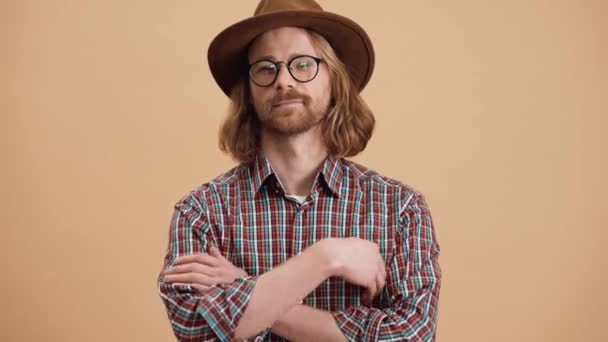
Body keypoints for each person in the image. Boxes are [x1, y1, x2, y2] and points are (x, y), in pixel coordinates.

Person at [157, 0, 442, 341]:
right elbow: (197, 330)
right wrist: (324, 258)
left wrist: (241, 289)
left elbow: (410, 337)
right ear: (248, 92)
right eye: (266, 68)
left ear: (335, 79)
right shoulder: (202, 212)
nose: (284, 81)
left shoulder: (399, 209)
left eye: (302, 64)